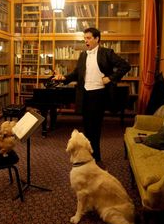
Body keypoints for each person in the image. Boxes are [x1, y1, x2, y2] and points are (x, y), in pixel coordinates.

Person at [53, 27, 131, 163]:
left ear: (97, 39)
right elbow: (76, 74)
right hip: (85, 95)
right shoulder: (83, 55)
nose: (86, 41)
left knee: (95, 129)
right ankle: (89, 156)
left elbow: (125, 66)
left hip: (99, 95)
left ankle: (96, 158)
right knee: (87, 128)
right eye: (85, 38)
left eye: (88, 38)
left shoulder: (107, 53)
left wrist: (111, 78)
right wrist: (63, 78)